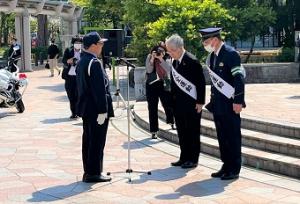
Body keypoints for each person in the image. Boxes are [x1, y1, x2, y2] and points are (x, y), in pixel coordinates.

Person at [199, 27, 246, 180]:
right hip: (218, 105)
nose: (205, 45)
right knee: (222, 137)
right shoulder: (213, 56)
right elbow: (215, 83)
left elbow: (238, 78)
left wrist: (238, 101)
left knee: (232, 136)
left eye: (206, 42)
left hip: (230, 104)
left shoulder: (231, 54)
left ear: (215, 40)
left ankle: (234, 168)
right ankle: (226, 165)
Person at [76, 32, 114, 183]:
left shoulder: (83, 61)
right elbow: (99, 90)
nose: (102, 46)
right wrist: (103, 110)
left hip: (87, 109)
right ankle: (94, 173)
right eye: (100, 44)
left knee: (89, 140)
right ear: (93, 46)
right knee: (97, 141)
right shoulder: (94, 62)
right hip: (96, 110)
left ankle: (89, 171)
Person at [165, 34, 206, 169]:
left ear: (180, 48)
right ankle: (184, 157)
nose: (170, 53)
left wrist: (200, 102)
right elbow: (174, 85)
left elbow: (200, 83)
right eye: (168, 51)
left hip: (192, 104)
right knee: (182, 131)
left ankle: (193, 159)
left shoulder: (192, 61)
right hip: (179, 104)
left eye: (172, 50)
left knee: (192, 131)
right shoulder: (175, 62)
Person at [145, 43, 175, 139]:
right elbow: (149, 71)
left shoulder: (167, 57)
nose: (159, 53)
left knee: (168, 104)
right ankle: (154, 130)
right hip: (151, 84)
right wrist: (153, 59)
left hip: (163, 83)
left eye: (162, 51)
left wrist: (161, 58)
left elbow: (168, 70)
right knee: (152, 107)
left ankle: (171, 121)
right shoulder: (150, 56)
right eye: (158, 51)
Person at [62, 36, 82, 119]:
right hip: (69, 77)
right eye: (76, 43)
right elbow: (64, 60)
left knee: (78, 95)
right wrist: (69, 61)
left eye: (80, 43)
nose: (78, 44)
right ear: (73, 44)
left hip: (79, 77)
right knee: (71, 96)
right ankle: (73, 112)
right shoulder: (68, 50)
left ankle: (78, 112)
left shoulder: (84, 52)